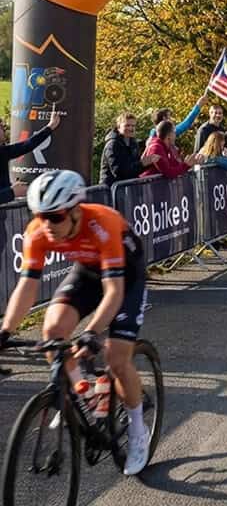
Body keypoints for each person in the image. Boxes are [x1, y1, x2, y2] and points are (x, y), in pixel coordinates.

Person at [0, 170, 150, 475]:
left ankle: (137, 431)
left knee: (116, 357)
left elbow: (114, 292)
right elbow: (27, 286)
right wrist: (5, 331)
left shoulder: (103, 224)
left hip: (125, 277)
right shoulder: (38, 232)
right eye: (40, 215)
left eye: (54, 216)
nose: (46, 224)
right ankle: (77, 396)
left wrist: (92, 332)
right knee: (52, 333)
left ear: (75, 210)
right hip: (86, 273)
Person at [0, 104, 62, 203]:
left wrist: (50, 127)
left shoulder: (2, 152)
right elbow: (27, 145)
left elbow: (27, 145)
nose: (4, 129)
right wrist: (11, 192)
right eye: (0, 127)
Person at [100, 112, 158, 186]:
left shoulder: (133, 143)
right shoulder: (112, 145)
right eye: (127, 125)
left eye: (133, 126)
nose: (131, 128)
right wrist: (142, 164)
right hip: (112, 190)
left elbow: (135, 168)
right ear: (118, 127)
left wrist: (149, 162)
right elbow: (119, 172)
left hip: (128, 188)